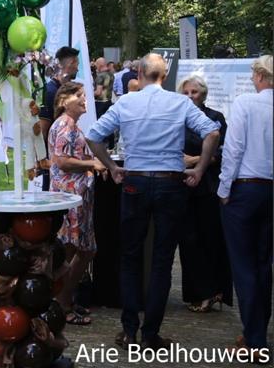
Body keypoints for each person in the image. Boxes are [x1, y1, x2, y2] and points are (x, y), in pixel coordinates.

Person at [85, 53, 220, 351]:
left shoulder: (126, 102)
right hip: (170, 183)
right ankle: (150, 335)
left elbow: (93, 136)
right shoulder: (180, 102)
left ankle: (129, 329)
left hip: (135, 180)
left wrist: (111, 166)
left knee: (131, 256)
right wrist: (199, 168)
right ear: (164, 74)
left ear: (141, 73)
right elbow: (212, 132)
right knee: (161, 260)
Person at [217, 55, 273, 358]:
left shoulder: (246, 104)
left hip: (246, 189)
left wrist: (224, 189)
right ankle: (256, 330)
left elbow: (234, 149)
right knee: (264, 265)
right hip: (268, 192)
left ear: (261, 76)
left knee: (245, 266)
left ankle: (255, 340)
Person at [49, 82, 106, 325]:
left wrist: (92, 161)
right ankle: (60, 304)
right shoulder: (64, 125)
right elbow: (62, 161)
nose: (85, 99)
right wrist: (92, 164)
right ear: (64, 101)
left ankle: (65, 300)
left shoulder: (72, 125)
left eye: (85, 95)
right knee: (73, 251)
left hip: (79, 196)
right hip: (69, 196)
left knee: (85, 250)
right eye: (79, 96)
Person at [176, 74, 232, 314]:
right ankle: (198, 292)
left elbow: (223, 150)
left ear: (203, 94)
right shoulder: (177, 118)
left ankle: (213, 291)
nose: (190, 96)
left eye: (194, 92)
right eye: (186, 93)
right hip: (183, 185)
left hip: (207, 186)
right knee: (188, 241)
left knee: (210, 239)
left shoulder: (215, 118)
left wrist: (197, 159)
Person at [40, 46, 80, 190]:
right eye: (77, 64)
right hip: (54, 163)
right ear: (70, 64)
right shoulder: (50, 91)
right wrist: (45, 161)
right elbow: (42, 130)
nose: (78, 69)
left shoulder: (67, 90)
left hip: (66, 161)